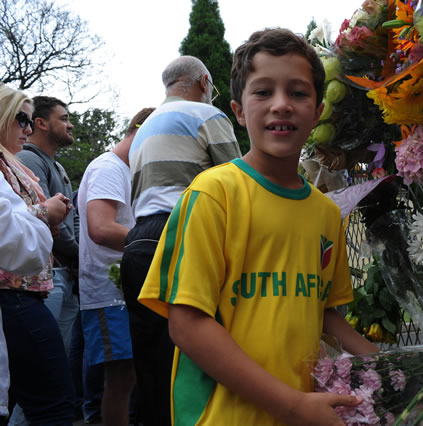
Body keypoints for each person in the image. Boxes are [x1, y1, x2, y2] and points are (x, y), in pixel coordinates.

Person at [138, 28, 379, 425]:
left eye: (298, 93)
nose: (281, 105)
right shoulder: (214, 194)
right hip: (223, 416)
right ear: (237, 110)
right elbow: (187, 325)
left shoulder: (325, 212)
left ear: (318, 111)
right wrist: (291, 404)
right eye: (263, 92)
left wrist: (388, 368)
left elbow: (323, 314)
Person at [122, 55, 241, 425]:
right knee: (192, 363)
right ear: (204, 82)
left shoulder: (142, 129)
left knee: (151, 366)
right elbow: (239, 187)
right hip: (184, 235)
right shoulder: (207, 116)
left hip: (137, 243)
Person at [0, 84, 75, 424]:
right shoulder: (21, 160)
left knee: (31, 399)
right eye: (21, 119)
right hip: (16, 292)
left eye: (30, 121)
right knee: (53, 404)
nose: (27, 130)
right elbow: (11, 235)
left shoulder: (13, 161)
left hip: (26, 291)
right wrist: (46, 215)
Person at [76, 107, 154, 426]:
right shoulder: (108, 168)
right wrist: (156, 243)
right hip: (109, 294)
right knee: (120, 380)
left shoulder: (128, 171)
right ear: (140, 133)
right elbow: (101, 228)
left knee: (131, 378)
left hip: (127, 291)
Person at [16, 96, 79, 358]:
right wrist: (79, 255)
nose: (70, 125)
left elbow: (71, 217)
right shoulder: (27, 160)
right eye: (63, 119)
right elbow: (47, 218)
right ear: (40, 123)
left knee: (59, 363)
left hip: (64, 274)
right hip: (44, 278)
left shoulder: (57, 166)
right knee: (39, 364)